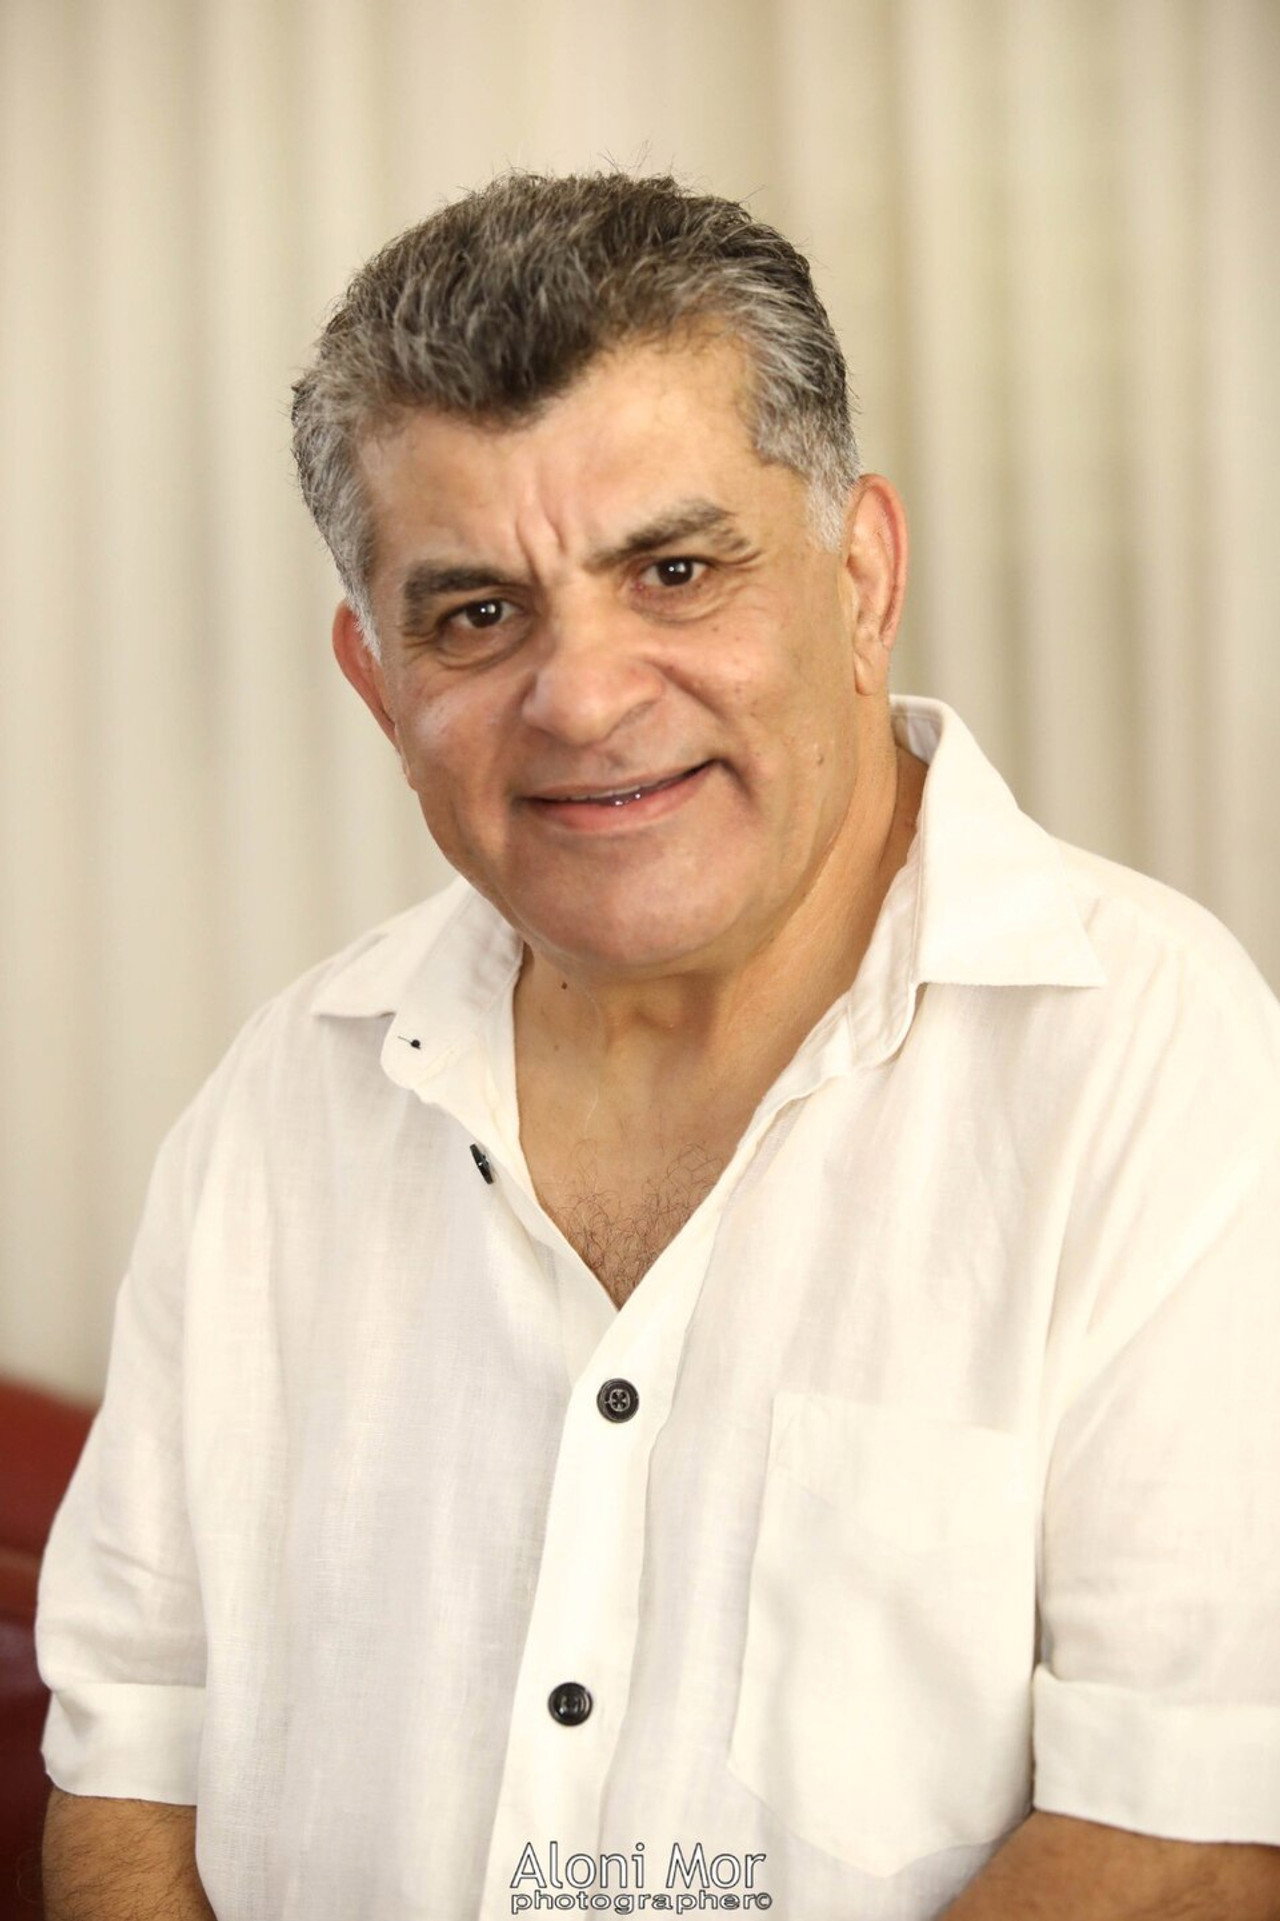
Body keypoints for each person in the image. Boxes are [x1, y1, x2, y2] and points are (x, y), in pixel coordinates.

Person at [36, 172, 1280, 1921]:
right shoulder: (279, 1105)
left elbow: (1184, 1837)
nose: (585, 696)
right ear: (377, 682)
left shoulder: (1156, 1064)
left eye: (676, 571)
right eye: (476, 614)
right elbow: (131, 1758)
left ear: (862, 578)